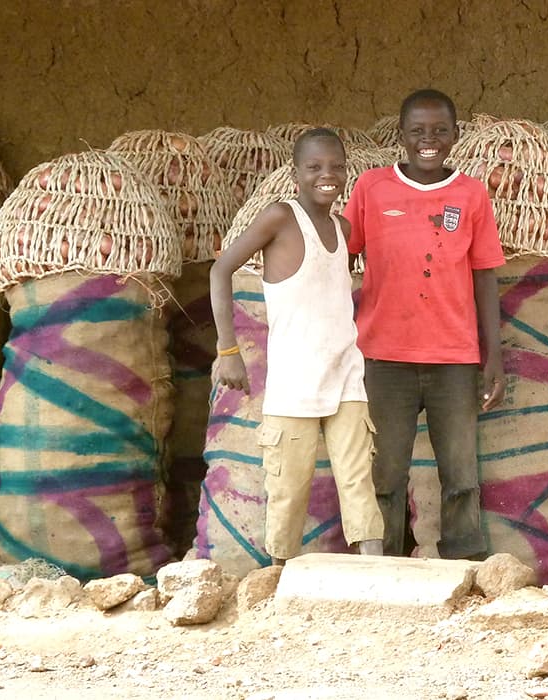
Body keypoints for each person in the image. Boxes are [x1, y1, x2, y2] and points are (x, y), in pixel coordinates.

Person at [343, 89, 506, 560]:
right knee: (385, 475)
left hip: (453, 358)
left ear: (456, 136)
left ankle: (465, 564)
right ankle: (384, 566)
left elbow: (484, 276)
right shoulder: (371, 188)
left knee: (459, 473)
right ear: (401, 136)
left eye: (439, 131)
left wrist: (492, 356)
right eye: (417, 131)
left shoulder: (471, 194)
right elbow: (339, 256)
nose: (428, 141)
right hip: (384, 357)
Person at [210, 128, 384, 565]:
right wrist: (227, 350)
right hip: (293, 385)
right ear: (295, 173)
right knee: (288, 487)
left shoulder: (344, 229)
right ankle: (279, 576)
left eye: (336, 167)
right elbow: (220, 271)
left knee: (359, 478)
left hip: (346, 373)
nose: (327, 175)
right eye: (314, 167)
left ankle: (375, 570)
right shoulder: (280, 218)